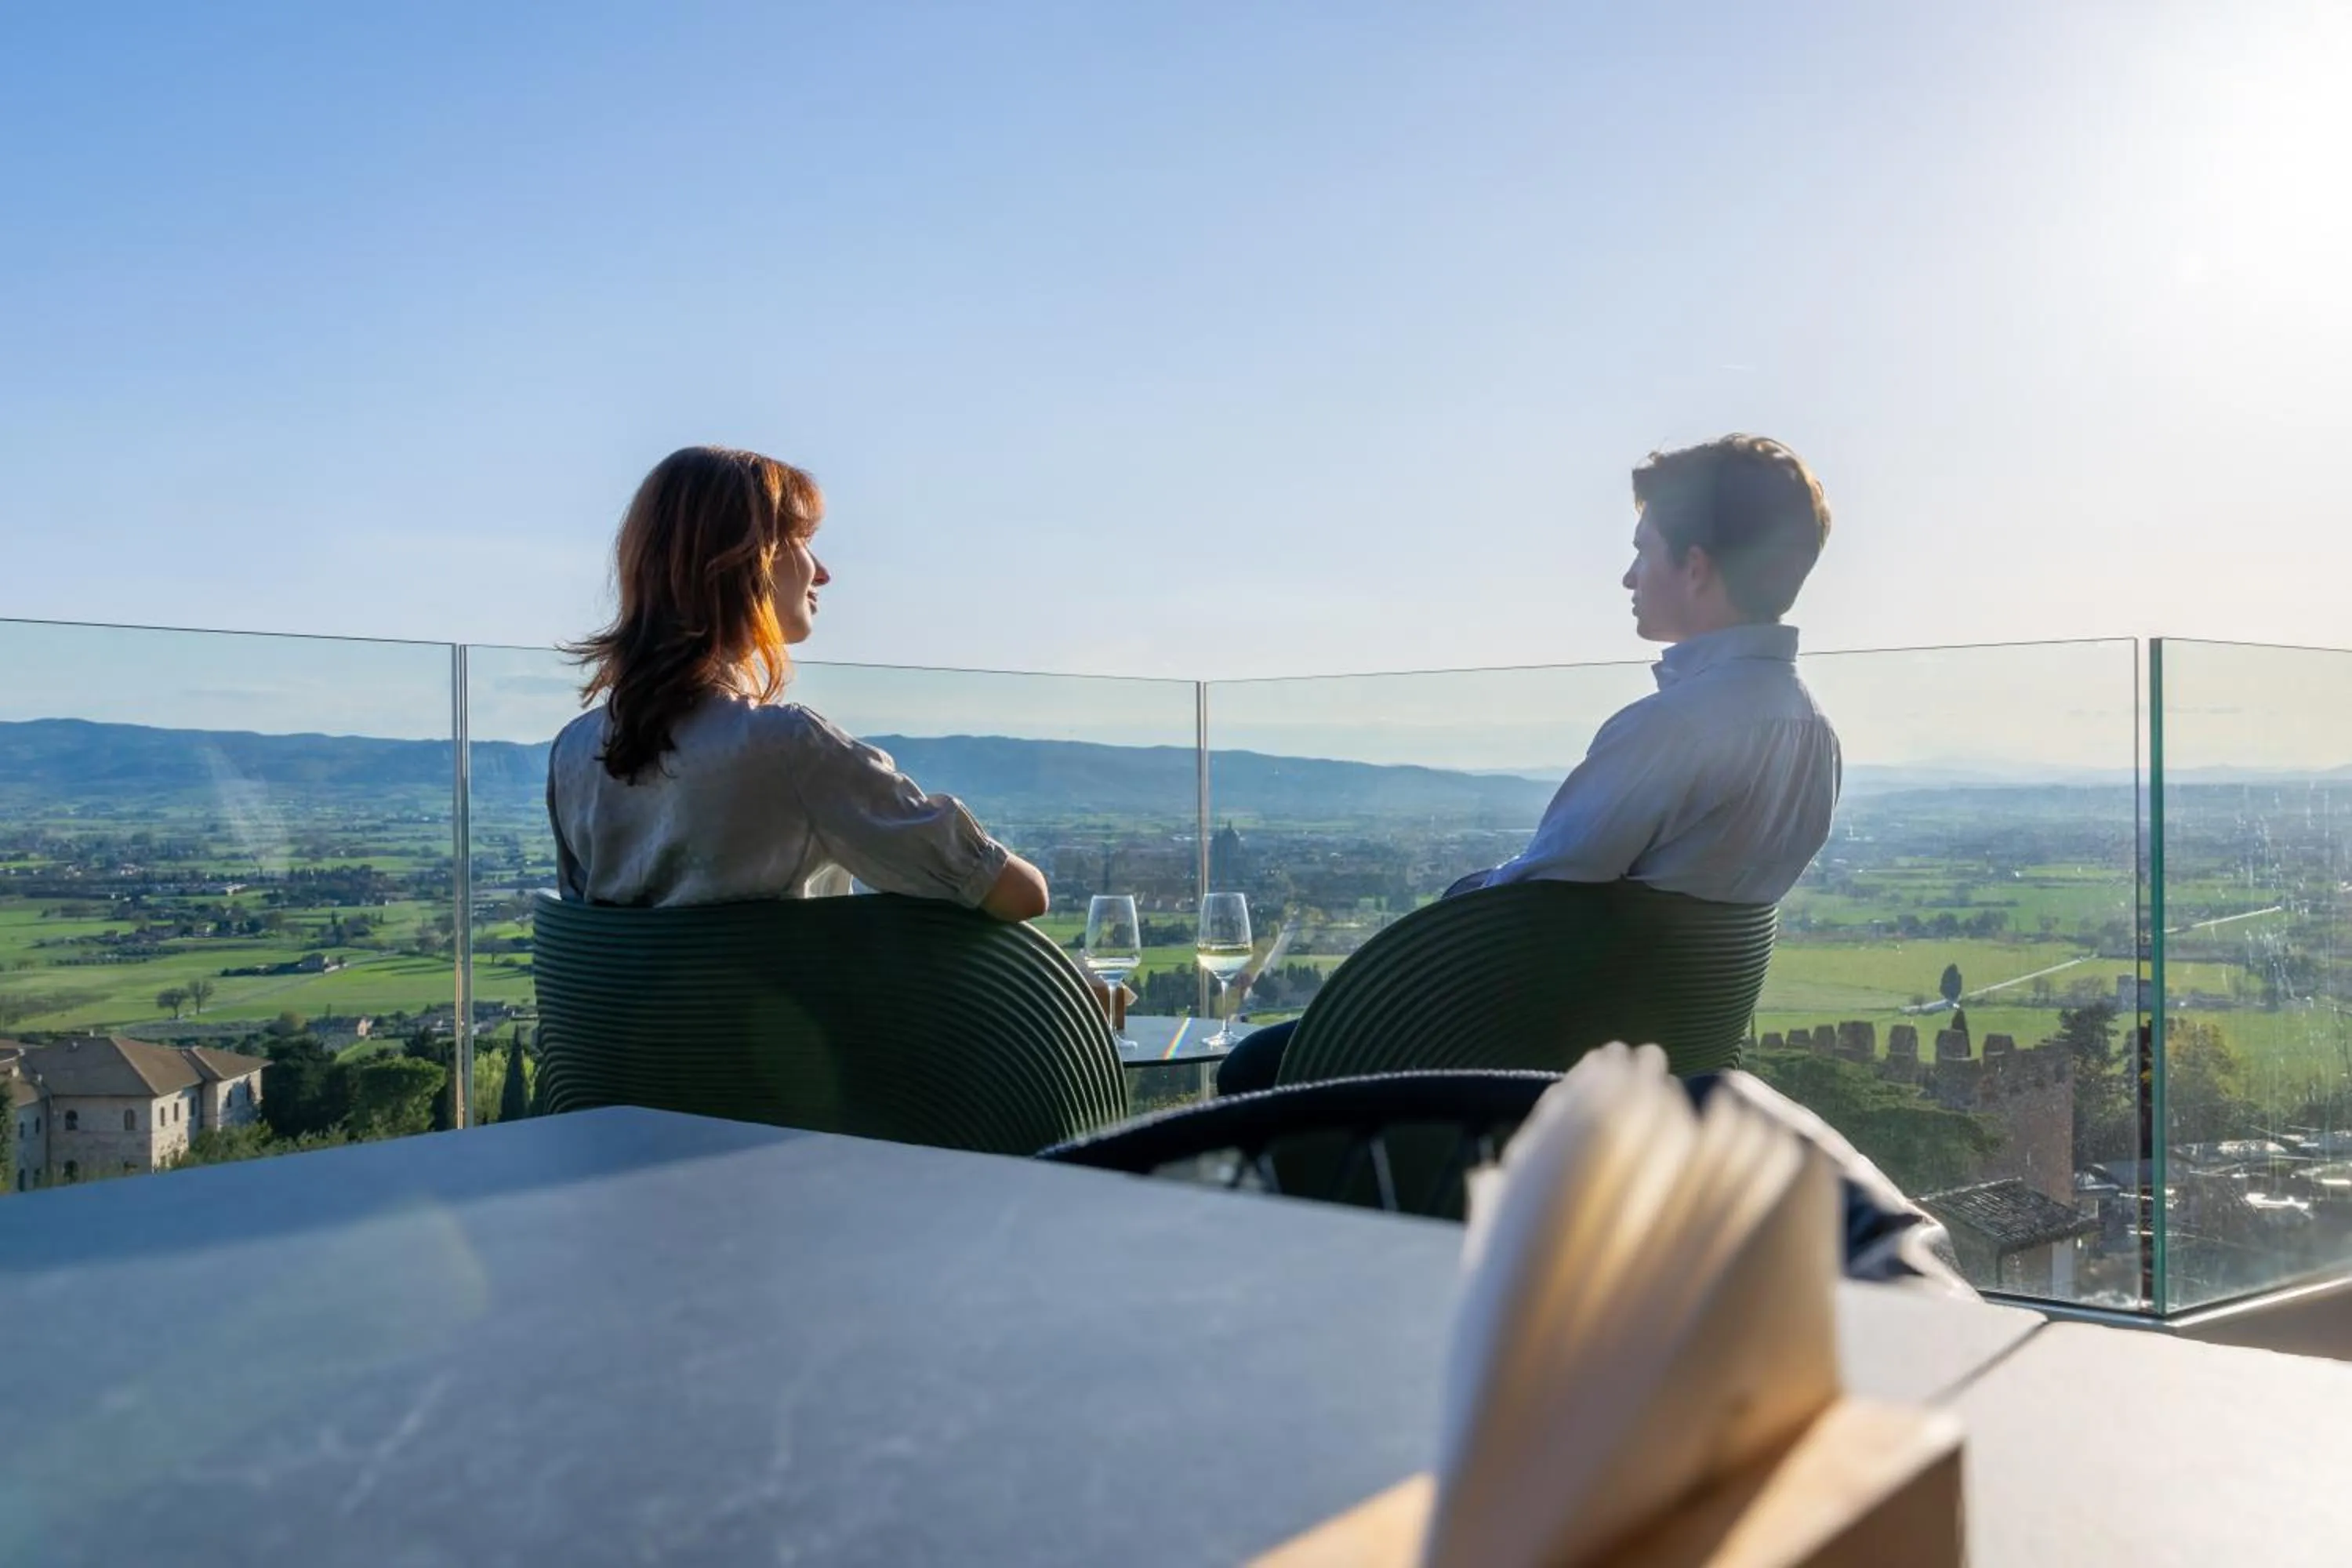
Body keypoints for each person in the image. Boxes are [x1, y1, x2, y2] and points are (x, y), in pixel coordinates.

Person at [1217, 434, 1841, 1094]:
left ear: (1694, 567)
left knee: (1258, 1066)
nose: (1629, 578)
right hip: (1659, 1070)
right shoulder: (1816, 734)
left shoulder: (1673, 727)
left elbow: (1531, 906)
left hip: (1537, 1066)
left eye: (1641, 553)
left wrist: (1461, 895)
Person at [547, 445, 1050, 920]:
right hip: (784, 1017)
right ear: (748, 560)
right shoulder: (789, 747)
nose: (823, 573)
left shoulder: (573, 753)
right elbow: (1020, 894)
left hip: (638, 1017)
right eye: (803, 542)